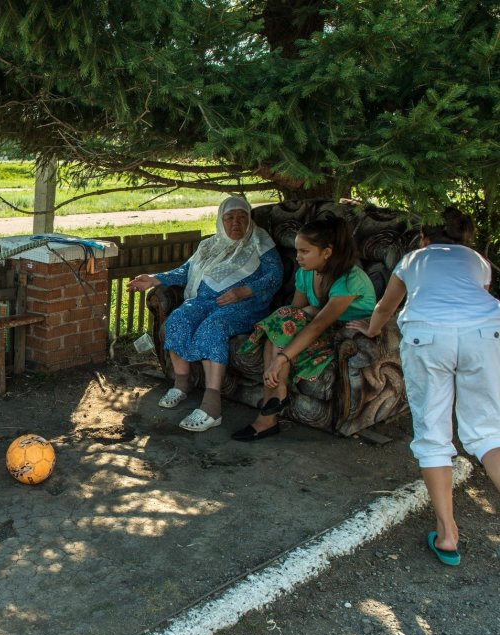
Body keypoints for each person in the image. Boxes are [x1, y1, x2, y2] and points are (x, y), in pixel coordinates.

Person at [348, 208, 500, 566]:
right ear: (464, 239)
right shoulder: (478, 261)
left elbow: (387, 306)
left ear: (424, 239)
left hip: (428, 336)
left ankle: (447, 534)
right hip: (486, 333)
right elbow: (472, 302)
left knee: (433, 434)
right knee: (488, 432)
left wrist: (370, 330)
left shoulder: (413, 258)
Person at [127, 196, 282, 432]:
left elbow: (275, 277)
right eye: (229, 218)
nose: (236, 223)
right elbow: (186, 271)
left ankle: (212, 405)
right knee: (178, 319)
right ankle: (182, 383)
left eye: (242, 217)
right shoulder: (209, 245)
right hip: (206, 301)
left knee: (213, 326)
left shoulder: (261, 243)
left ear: (250, 220)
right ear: (221, 221)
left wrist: (244, 291)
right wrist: (154, 279)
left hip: (246, 305)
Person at [233, 213, 376, 442]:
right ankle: (274, 403)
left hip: (344, 337)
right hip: (317, 329)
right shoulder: (305, 273)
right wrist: (305, 315)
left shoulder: (350, 279)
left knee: (285, 328)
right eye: (297, 250)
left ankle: (268, 416)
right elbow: (293, 315)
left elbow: (319, 323)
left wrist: (282, 359)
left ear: (327, 252)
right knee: (281, 325)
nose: (297, 257)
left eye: (304, 251)